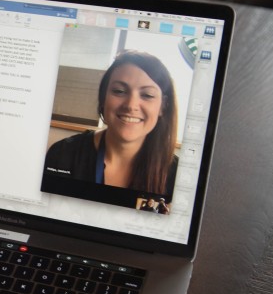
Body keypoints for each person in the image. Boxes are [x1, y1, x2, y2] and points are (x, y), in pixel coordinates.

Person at [43, 51, 179, 198]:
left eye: (147, 95)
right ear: (103, 98)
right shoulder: (63, 155)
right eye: (119, 91)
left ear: (163, 106)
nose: (131, 105)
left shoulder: (177, 176)